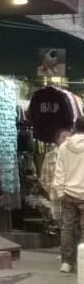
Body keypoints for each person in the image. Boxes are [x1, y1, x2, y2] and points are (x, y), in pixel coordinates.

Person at [53, 117, 84, 273]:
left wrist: (60, 191)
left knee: (67, 228)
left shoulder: (64, 146)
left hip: (68, 193)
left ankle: (66, 262)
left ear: (74, 128)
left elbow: (59, 171)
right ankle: (82, 261)